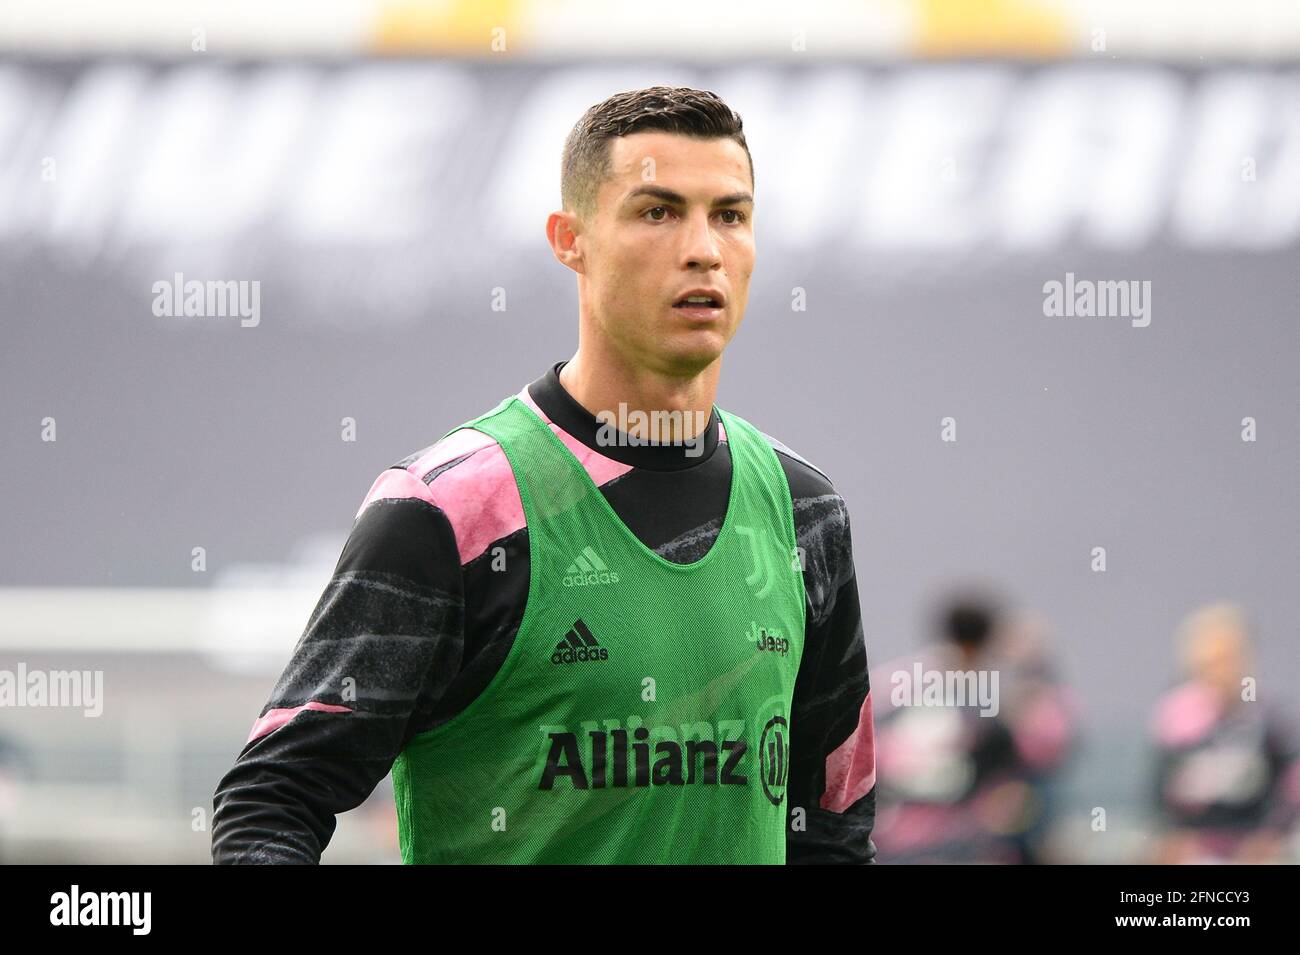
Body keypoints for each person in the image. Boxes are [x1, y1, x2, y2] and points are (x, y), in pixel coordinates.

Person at [211, 86, 877, 864]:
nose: (703, 248)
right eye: (657, 211)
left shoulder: (805, 512)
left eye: (729, 215)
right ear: (571, 239)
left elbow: (834, 821)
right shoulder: (448, 511)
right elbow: (273, 798)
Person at [1148, 602, 1299, 863]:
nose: (1220, 672)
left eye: (1228, 660)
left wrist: (1270, 835)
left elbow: (1287, 790)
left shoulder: (1267, 721)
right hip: (1196, 848)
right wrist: (1170, 838)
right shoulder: (1177, 723)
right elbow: (1158, 794)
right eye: (1210, 664)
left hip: (1250, 847)